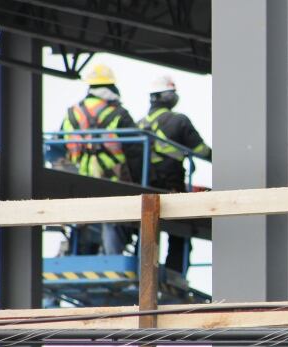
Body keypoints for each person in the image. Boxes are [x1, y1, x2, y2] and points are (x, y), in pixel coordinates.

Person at [135, 75, 212, 273]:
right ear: (166, 97)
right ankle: (175, 273)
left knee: (146, 231)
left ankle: (141, 270)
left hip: (145, 185)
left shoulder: (139, 124)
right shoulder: (178, 121)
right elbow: (202, 151)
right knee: (179, 231)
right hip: (171, 185)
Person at [60, 63, 137, 255]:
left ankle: (79, 253)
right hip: (112, 180)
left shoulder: (72, 114)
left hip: (80, 179)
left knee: (84, 221)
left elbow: (59, 144)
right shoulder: (119, 113)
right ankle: (112, 257)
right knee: (111, 220)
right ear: (111, 87)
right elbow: (136, 150)